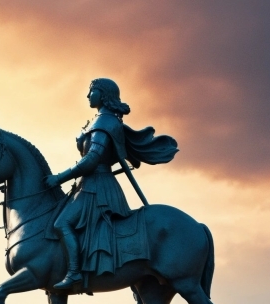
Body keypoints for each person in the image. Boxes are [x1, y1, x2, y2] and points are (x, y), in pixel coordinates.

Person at [47, 78, 178, 289]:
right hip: (89, 184)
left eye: (92, 91)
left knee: (62, 224)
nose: (88, 96)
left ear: (103, 94)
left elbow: (91, 160)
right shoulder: (100, 120)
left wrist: (59, 178)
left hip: (98, 187)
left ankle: (74, 274)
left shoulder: (105, 122)